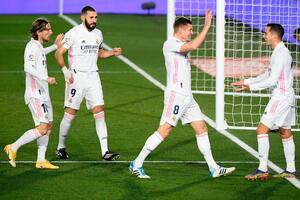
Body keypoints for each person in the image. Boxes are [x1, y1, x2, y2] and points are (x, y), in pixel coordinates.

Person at [129, 10, 236, 179]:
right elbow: (193, 45)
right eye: (190, 29)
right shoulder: (170, 43)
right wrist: (207, 25)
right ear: (181, 29)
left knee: (201, 128)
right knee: (165, 130)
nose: (191, 32)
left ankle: (214, 168)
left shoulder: (179, 44)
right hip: (176, 95)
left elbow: (191, 45)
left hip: (187, 96)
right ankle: (136, 163)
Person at [231, 23, 297, 180]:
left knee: (261, 130)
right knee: (285, 131)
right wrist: (248, 81)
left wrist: (250, 88)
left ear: (274, 35)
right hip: (286, 96)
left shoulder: (280, 54)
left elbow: (272, 80)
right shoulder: (279, 52)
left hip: (280, 97)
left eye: (266, 33)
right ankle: (291, 170)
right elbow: (267, 74)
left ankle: (262, 170)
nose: (263, 35)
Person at [55, 6, 121, 161]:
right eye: (91, 17)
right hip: (76, 78)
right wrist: (65, 71)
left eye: (96, 17)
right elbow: (58, 53)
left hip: (93, 77)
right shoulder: (74, 33)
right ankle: (60, 147)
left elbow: (100, 54)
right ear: (82, 17)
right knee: (70, 114)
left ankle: (105, 151)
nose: (94, 20)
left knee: (99, 111)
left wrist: (112, 53)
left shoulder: (98, 34)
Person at [4, 18, 63, 169]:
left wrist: (55, 46)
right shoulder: (31, 47)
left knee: (48, 125)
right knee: (42, 128)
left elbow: (42, 52)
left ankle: (41, 160)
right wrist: (46, 78)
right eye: (48, 29)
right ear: (39, 32)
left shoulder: (37, 46)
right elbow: (27, 67)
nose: (51, 32)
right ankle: (13, 147)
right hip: (35, 94)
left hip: (43, 94)